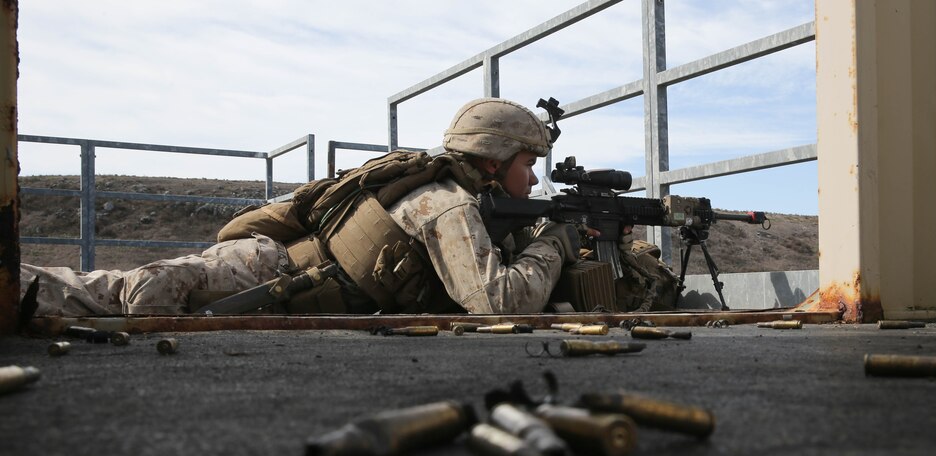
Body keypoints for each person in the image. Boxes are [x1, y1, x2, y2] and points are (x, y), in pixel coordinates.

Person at [19, 98, 583, 317]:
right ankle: (17, 286)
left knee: (132, 295)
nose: (533, 176)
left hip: (291, 274)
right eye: (527, 161)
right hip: (275, 267)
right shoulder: (446, 204)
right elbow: (497, 303)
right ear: (493, 158)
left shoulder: (468, 199)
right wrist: (554, 241)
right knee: (132, 295)